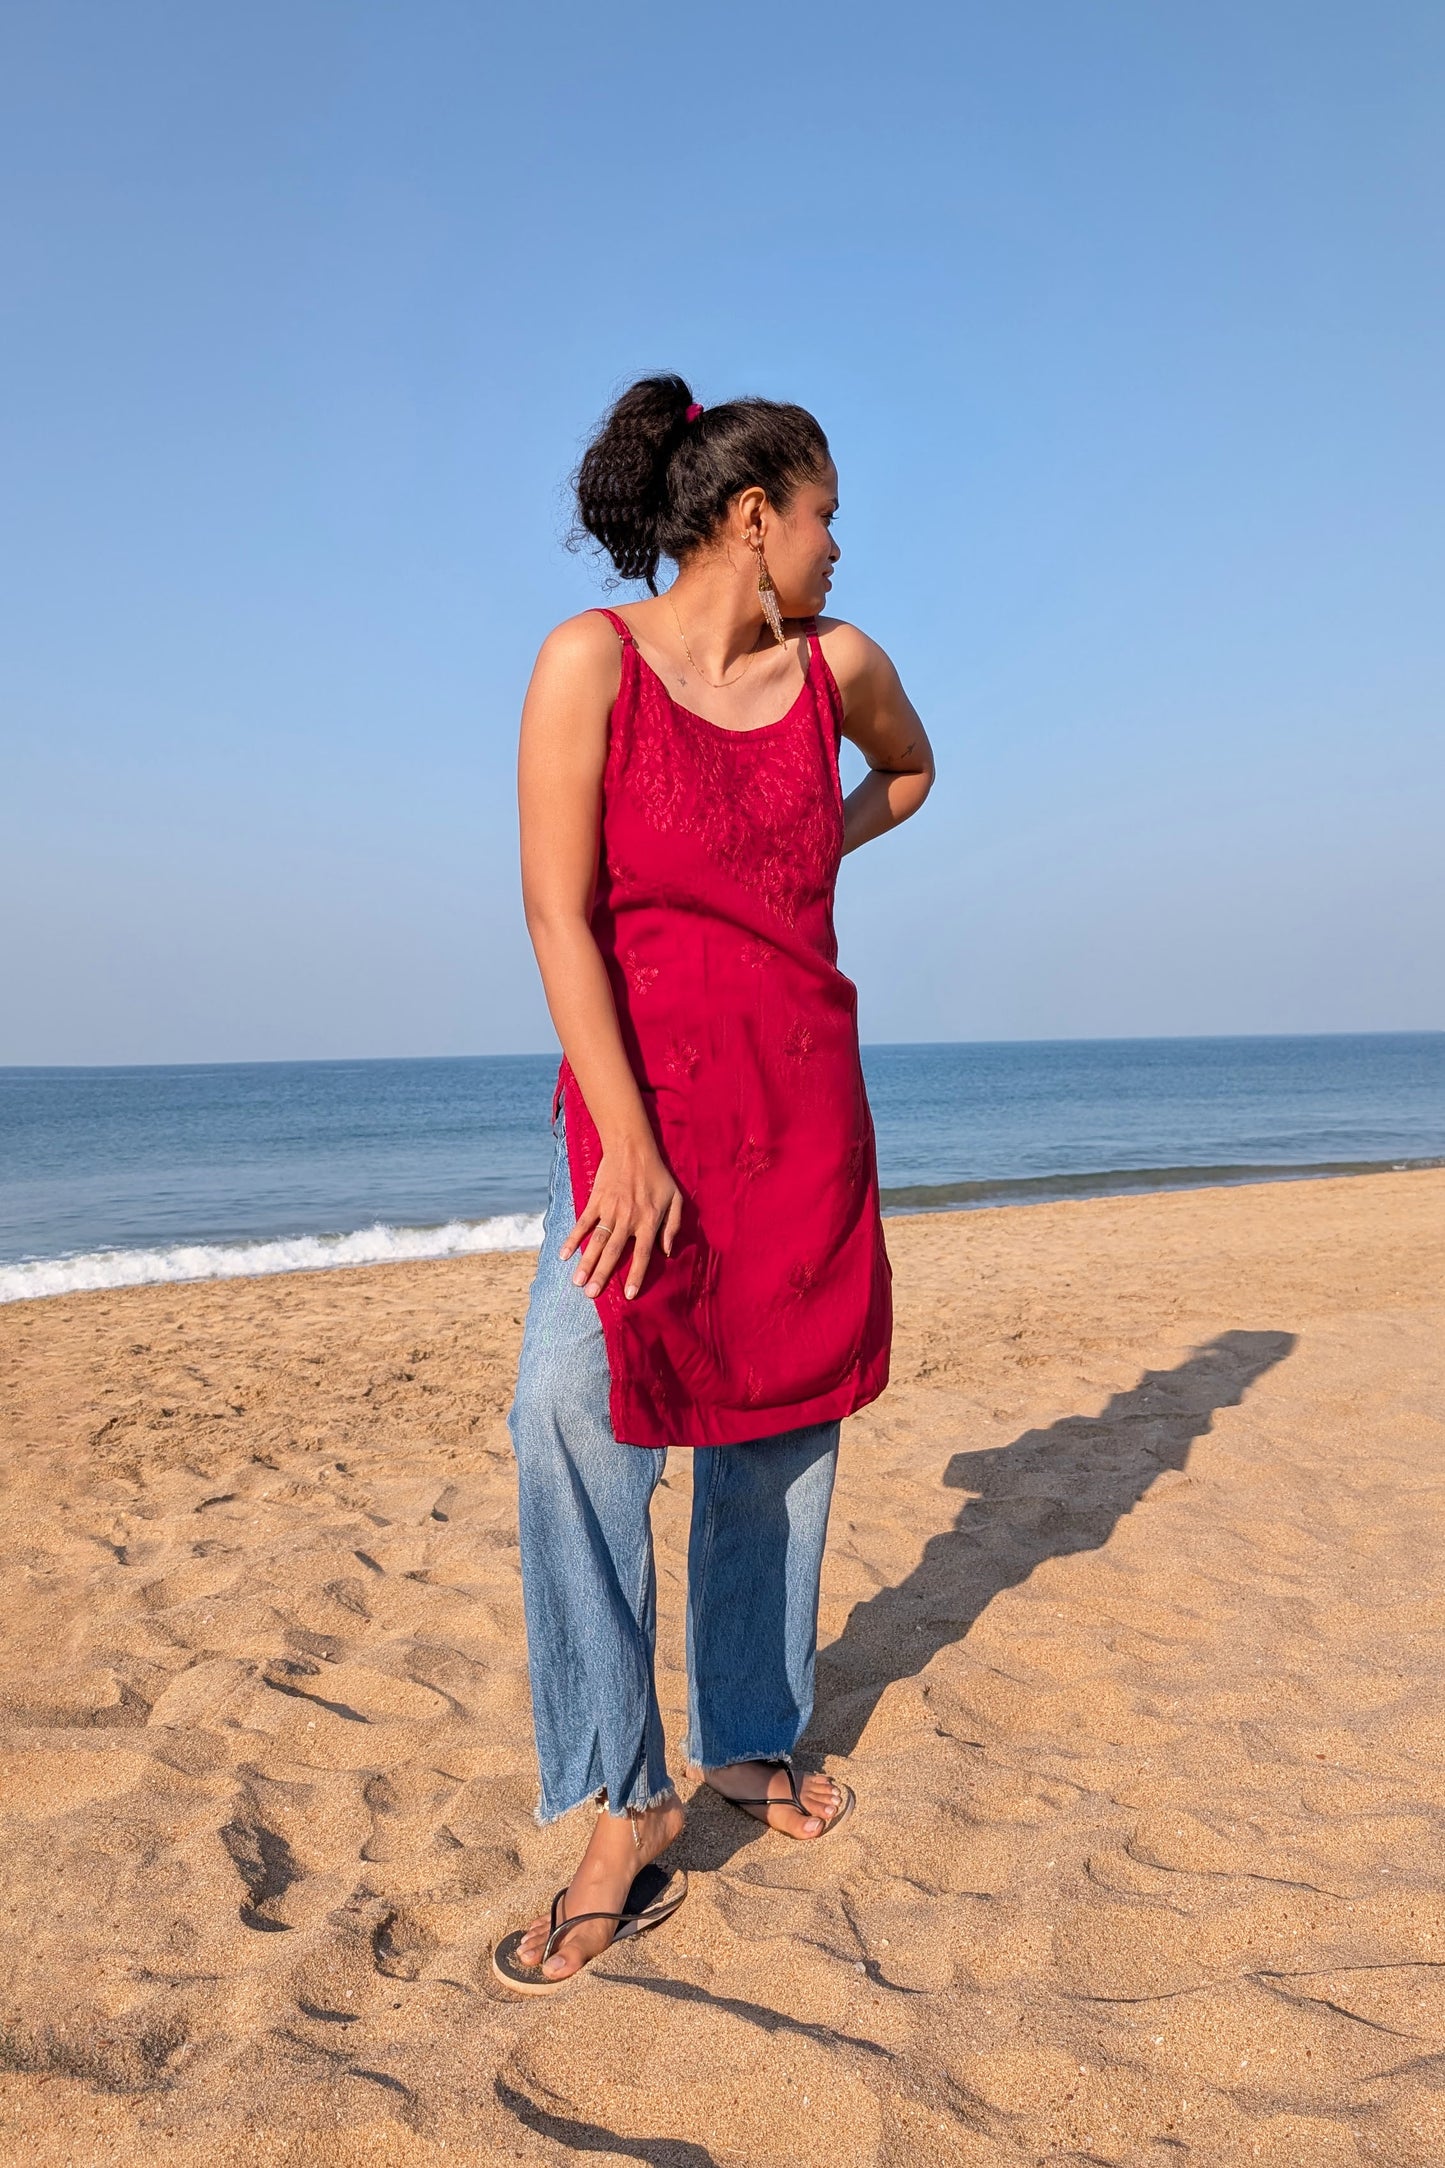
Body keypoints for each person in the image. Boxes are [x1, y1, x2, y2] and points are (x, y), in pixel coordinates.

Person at [492, 375, 934, 1992]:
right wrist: (623, 1144)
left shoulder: (842, 668)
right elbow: (555, 915)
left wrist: (803, 856)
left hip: (800, 1102)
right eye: (823, 514)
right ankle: (623, 1800)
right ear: (755, 516)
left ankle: (749, 1735)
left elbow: (908, 774)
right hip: (641, 1115)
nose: (836, 546)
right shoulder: (586, 661)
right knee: (568, 1413)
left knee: (779, 1431)